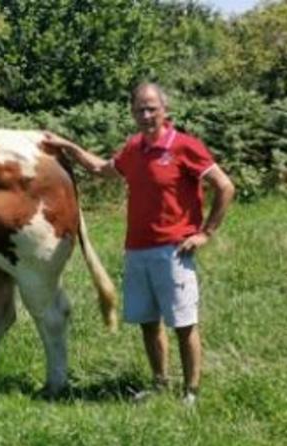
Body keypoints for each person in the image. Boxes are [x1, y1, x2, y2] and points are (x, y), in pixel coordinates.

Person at [43, 82, 235, 405]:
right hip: (137, 250)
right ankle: (160, 384)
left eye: (152, 109)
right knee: (148, 322)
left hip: (174, 250)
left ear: (165, 110)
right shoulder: (135, 149)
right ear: (132, 113)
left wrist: (205, 233)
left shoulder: (184, 146)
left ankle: (191, 392)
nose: (146, 115)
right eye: (140, 109)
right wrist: (66, 145)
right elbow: (101, 169)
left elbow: (225, 187)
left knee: (184, 323)